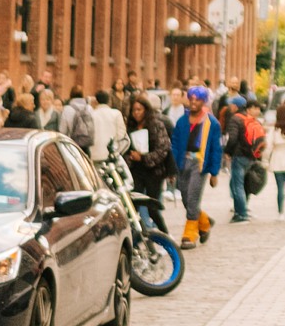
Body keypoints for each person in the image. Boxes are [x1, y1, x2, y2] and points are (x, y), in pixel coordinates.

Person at [171, 85, 221, 247]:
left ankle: (189, 235)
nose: (193, 102)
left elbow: (216, 148)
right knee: (186, 198)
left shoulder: (212, 123)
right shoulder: (181, 121)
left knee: (192, 198)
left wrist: (214, 173)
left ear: (203, 102)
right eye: (191, 99)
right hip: (182, 162)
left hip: (199, 165)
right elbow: (175, 144)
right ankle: (204, 222)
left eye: (197, 99)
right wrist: (172, 167)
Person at [125, 94, 174, 231]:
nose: (136, 113)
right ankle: (139, 237)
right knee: (133, 206)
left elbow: (163, 148)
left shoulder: (156, 125)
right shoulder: (130, 127)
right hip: (136, 171)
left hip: (154, 171)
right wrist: (131, 157)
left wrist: (144, 158)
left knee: (152, 208)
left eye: (139, 109)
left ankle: (166, 235)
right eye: (134, 110)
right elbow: (125, 148)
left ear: (146, 110)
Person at [220, 99, 255, 222]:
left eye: (231, 105)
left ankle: (241, 213)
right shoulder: (249, 117)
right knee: (240, 184)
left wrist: (227, 152)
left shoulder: (235, 119)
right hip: (250, 155)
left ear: (235, 106)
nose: (230, 107)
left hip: (239, 155)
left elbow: (232, 138)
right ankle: (240, 210)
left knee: (237, 185)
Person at [91, 86, 128, 163]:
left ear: (96, 101)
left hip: (94, 155)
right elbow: (121, 135)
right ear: (108, 101)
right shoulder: (116, 113)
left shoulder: (91, 114)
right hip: (112, 155)